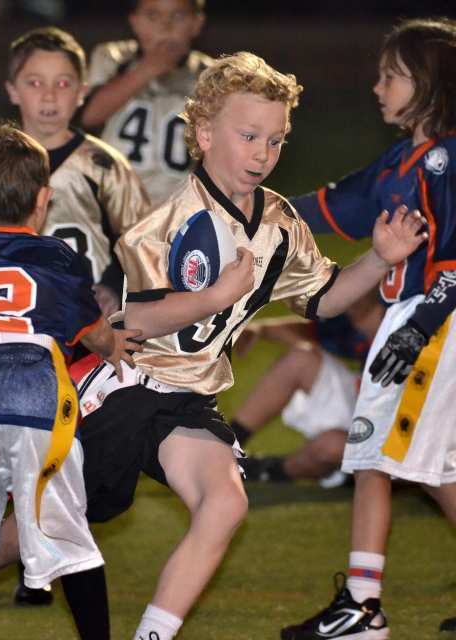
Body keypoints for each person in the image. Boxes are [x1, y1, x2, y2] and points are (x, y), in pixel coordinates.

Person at [76, 51, 425, 640]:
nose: (264, 154)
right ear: (205, 133)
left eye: (276, 140)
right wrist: (214, 298)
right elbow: (136, 317)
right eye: (249, 136)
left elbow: (325, 298)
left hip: (189, 402)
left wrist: (378, 259)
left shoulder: (279, 224)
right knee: (56, 529)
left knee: (227, 504)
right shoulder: (163, 224)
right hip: (125, 391)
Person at [281, 17, 456, 639]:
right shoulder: (400, 161)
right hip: (426, 321)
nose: (377, 87)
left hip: (432, 321)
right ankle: (361, 608)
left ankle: (362, 608)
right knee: (441, 470)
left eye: (391, 76)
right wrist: (247, 206)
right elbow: (333, 206)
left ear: (431, 81)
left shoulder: (447, 158)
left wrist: (420, 326)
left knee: (372, 456)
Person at [0, 124, 142, 640]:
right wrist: (116, 345)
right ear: (43, 200)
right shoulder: (57, 258)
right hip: (35, 403)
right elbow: (94, 334)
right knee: (66, 534)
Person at [6, 26, 151, 319]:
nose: (48, 96)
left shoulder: (105, 166)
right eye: (34, 83)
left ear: (82, 91)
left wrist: (113, 286)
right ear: (12, 90)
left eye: (62, 84)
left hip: (91, 323)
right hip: (10, 320)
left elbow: (142, 243)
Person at [232, 291, 384, 486]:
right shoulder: (354, 319)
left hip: (405, 436)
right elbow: (311, 331)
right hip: (367, 403)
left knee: (331, 447)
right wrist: (260, 329)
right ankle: (225, 448)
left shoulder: (418, 329)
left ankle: (268, 470)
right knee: (301, 360)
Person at [81, 0, 211, 205]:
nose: (165, 26)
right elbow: (88, 116)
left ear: (197, 23)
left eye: (178, 16)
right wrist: (148, 68)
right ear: (134, 21)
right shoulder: (112, 57)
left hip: (176, 202)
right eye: (153, 16)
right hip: (114, 200)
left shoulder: (210, 74)